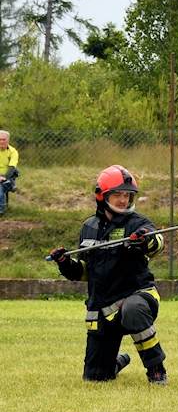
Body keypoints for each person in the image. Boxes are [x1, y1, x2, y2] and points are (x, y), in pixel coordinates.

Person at [49, 165, 168, 385]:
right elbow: (85, 271)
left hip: (136, 297)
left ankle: (156, 368)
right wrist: (66, 263)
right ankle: (115, 363)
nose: (123, 200)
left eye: (127, 195)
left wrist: (146, 239)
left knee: (134, 309)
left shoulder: (139, 223)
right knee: (95, 378)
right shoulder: (88, 227)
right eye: (117, 195)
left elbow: (158, 244)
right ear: (101, 196)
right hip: (101, 308)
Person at [0, 130, 19, 216]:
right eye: (0, 139)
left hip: (6, 176)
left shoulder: (13, 152)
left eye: (4, 139)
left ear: (8, 141)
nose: (1, 141)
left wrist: (4, 177)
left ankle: (0, 211)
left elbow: (12, 167)